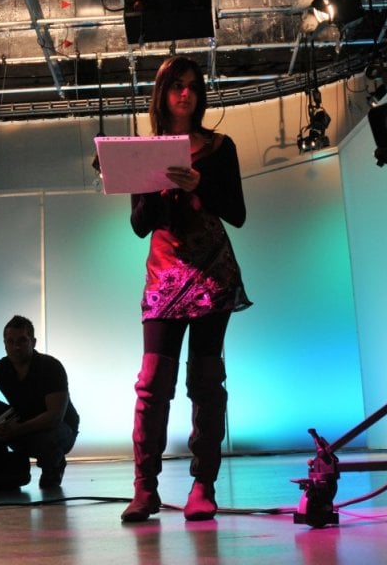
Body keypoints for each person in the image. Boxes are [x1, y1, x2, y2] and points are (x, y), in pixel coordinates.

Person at [121, 55, 251, 524]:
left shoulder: (220, 146)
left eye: (194, 86)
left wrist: (200, 186)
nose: (186, 93)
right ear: (162, 92)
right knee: (153, 384)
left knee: (205, 380)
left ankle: (204, 484)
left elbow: (236, 212)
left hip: (212, 271)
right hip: (164, 273)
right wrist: (157, 187)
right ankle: (145, 488)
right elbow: (139, 225)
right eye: (177, 85)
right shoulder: (143, 149)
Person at [0, 315, 79, 489]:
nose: (16, 346)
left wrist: (17, 430)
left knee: (48, 439)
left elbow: (54, 416)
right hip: (22, 424)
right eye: (10, 341)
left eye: (22, 341)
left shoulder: (51, 367)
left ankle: (53, 466)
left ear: (33, 342)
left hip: (59, 429)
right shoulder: (0, 368)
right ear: (4, 343)